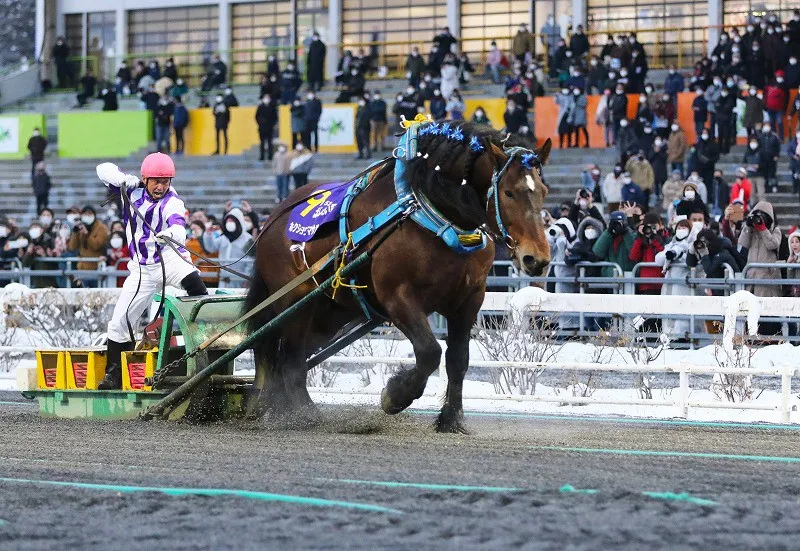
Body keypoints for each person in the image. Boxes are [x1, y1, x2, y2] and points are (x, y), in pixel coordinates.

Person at [94, 154, 207, 389]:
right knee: (119, 323)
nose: (161, 186)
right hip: (142, 269)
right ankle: (113, 376)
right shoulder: (132, 190)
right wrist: (123, 179)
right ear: (145, 179)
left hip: (169, 260)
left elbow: (178, 226)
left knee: (196, 285)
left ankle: (203, 345)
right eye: (156, 181)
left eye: (165, 181)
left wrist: (171, 235)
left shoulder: (173, 201)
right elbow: (102, 169)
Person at [738, 201, 783, 300]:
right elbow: (743, 243)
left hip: (767, 277)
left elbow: (772, 245)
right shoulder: (751, 231)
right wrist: (748, 226)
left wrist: (763, 229)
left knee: (766, 310)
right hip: (751, 277)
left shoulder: (775, 230)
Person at [66, 205, 109, 288]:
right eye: (85, 214)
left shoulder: (101, 228)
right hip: (82, 268)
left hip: (96, 268)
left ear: (94, 215)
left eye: (90, 214)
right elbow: (72, 247)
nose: (87, 216)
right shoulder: (81, 227)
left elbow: (96, 245)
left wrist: (87, 234)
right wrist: (75, 232)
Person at [629, 211, 665, 296]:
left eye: (654, 226)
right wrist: (640, 238)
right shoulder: (642, 241)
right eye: (649, 226)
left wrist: (655, 238)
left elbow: (663, 254)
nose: (651, 229)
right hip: (645, 284)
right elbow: (633, 256)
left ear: (660, 226)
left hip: (662, 283)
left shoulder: (665, 238)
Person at [593, 210, 637, 277]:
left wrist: (626, 233)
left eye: (621, 223)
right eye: (614, 223)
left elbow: (635, 253)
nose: (617, 225)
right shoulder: (607, 237)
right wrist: (608, 232)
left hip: (628, 277)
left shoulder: (632, 235)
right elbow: (597, 252)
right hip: (610, 277)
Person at [758, 123, 782, 193]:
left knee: (772, 174)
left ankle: (774, 187)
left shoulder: (774, 137)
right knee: (764, 174)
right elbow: (759, 147)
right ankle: (766, 188)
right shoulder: (761, 136)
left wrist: (777, 155)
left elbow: (778, 147)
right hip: (763, 159)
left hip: (772, 159)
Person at [764, 72, 788, 139]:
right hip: (771, 108)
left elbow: (785, 99)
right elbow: (765, 97)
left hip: (778, 108)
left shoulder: (783, 87)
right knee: (773, 123)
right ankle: (775, 137)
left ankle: (780, 137)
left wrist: (784, 108)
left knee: (779, 123)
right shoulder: (769, 86)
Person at [255, 94, 278, 161]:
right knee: (262, 143)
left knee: (270, 142)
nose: (266, 99)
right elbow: (256, 117)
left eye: (267, 98)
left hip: (270, 127)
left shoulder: (272, 107)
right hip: (262, 128)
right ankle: (262, 156)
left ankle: (270, 156)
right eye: (265, 98)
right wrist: (260, 123)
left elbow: (275, 117)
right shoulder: (260, 107)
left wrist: (272, 124)